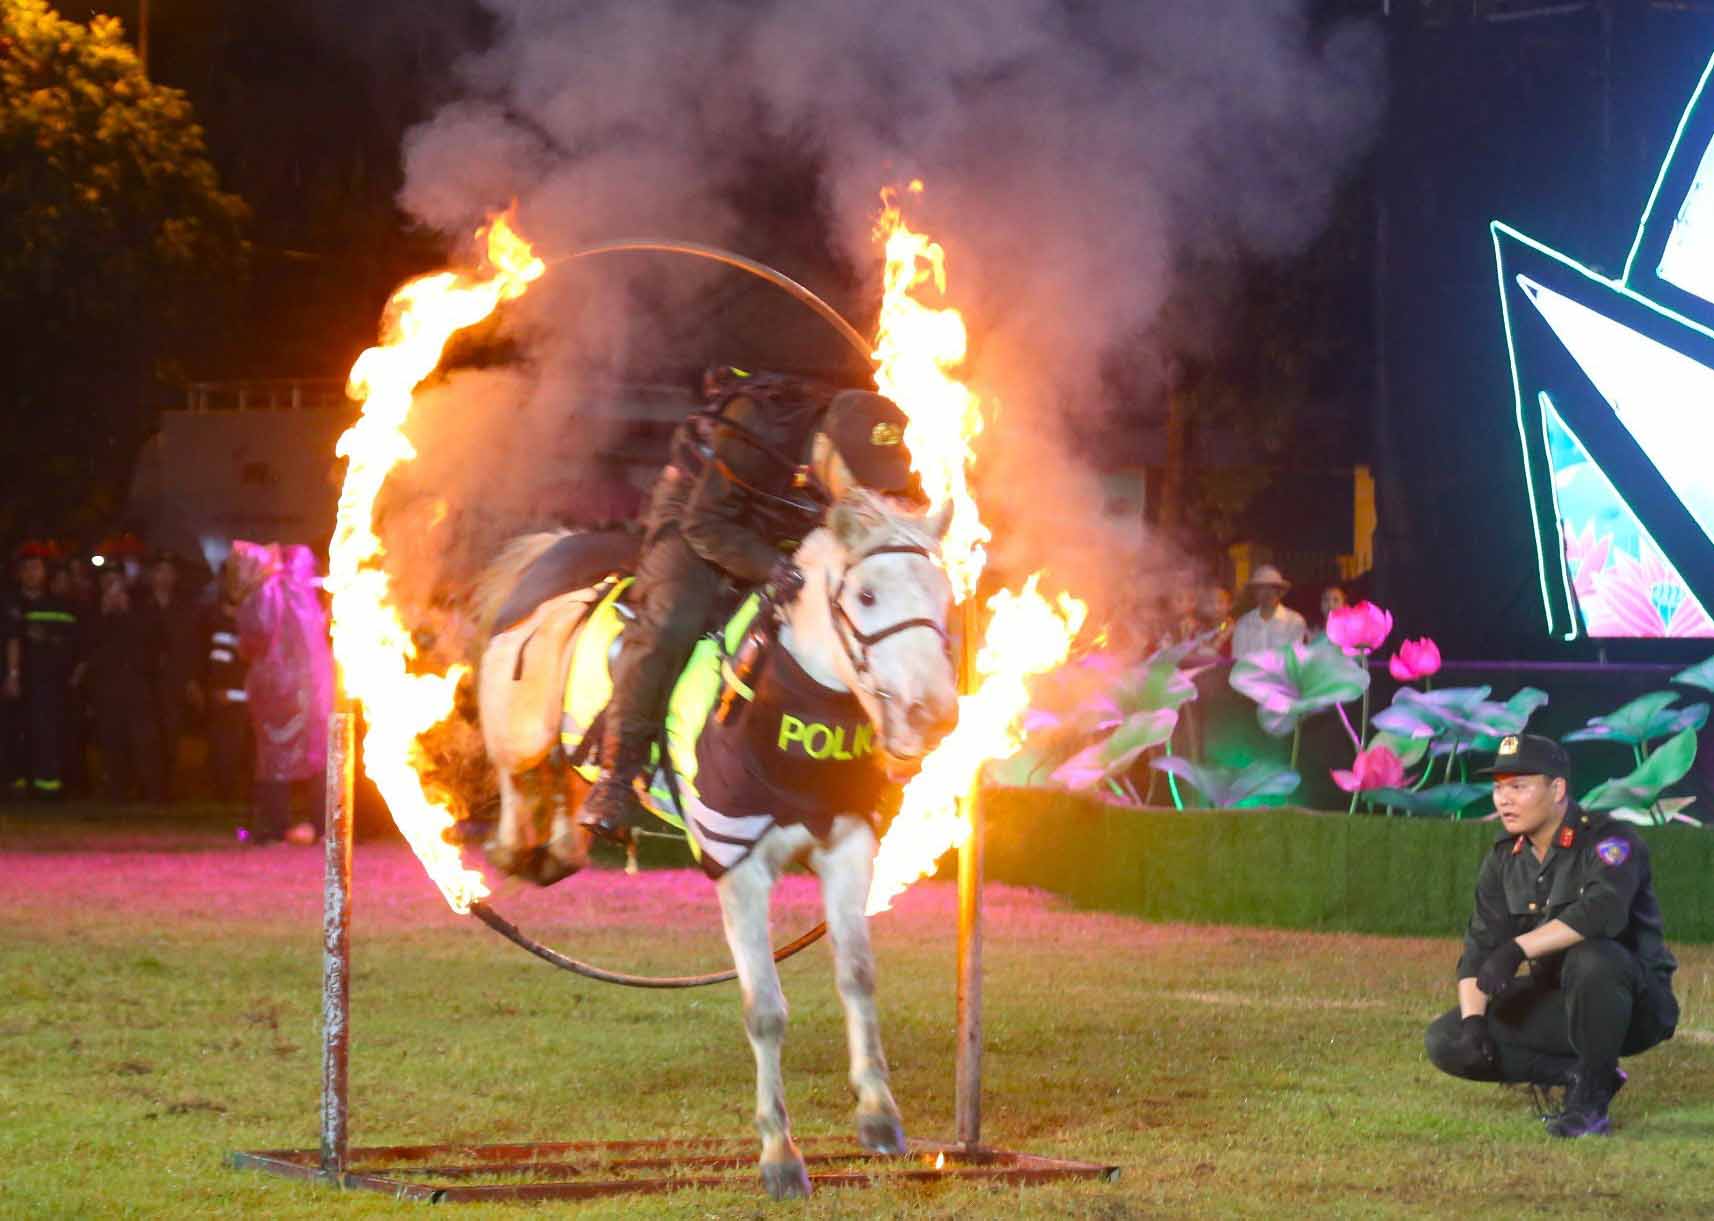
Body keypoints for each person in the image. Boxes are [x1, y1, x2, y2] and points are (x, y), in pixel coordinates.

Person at [578, 371, 921, 844]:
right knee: (676, 617)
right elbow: (706, 524)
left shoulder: (868, 471)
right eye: (858, 476)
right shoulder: (757, 428)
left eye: (878, 481)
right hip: (700, 516)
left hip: (785, 530)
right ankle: (616, 776)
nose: (869, 492)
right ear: (824, 448)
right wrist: (771, 567)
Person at [1423, 734, 1679, 1138]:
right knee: (1446, 1038)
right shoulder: (1504, 858)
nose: (1503, 799)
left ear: (1557, 789)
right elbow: (1480, 947)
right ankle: (1583, 1074)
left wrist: (1518, 948)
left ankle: (1590, 1105)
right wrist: (1475, 1024)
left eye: (1518, 787)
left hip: (1633, 1005)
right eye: (1497, 788)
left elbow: (1602, 912)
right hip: (1560, 1000)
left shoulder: (1611, 840)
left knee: (1592, 958)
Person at [232, 542, 334, 845]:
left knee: (274, 757)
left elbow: (258, 632)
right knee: (319, 754)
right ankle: (322, 823)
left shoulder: (267, 592)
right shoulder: (307, 594)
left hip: (279, 687)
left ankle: (274, 826)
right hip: (315, 687)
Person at [3, 544, 82, 800]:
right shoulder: (9, 603)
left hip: (50, 686)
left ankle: (48, 788)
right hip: (16, 686)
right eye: (25, 568)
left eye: (36, 568)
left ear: (45, 572)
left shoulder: (60, 606)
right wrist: (12, 676)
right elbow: (11, 640)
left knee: (48, 735)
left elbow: (75, 646)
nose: (30, 573)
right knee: (13, 734)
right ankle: (15, 787)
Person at [79, 567, 163, 801]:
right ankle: (116, 788)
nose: (111, 588)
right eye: (106, 582)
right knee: (110, 740)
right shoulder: (92, 613)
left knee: (143, 741)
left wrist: (126, 613)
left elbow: (149, 643)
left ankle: (151, 790)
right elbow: (87, 646)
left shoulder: (139, 610)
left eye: (115, 581)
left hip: (136, 688)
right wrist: (104, 613)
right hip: (106, 690)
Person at [134, 552, 199, 800]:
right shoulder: (140, 606)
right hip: (145, 682)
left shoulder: (184, 609)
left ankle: (166, 788)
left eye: (169, 572)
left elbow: (191, 647)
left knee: (171, 734)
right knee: (147, 737)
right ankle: (148, 788)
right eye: (159, 571)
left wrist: (191, 680)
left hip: (173, 682)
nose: (164, 577)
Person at [191, 556, 252, 802]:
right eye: (231, 578)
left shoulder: (257, 617)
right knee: (223, 749)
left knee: (249, 753)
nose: (236, 585)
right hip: (222, 698)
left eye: (240, 578)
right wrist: (202, 686)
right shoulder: (210, 617)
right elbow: (203, 656)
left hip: (251, 697)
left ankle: (246, 797)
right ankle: (223, 795)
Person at [1230, 564, 1307, 658]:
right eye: (1262, 588)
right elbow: (1238, 658)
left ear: (1280, 591)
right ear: (1254, 592)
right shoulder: (1244, 623)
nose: (1267, 593)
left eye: (1272, 588)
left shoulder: (1294, 621)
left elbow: (1293, 659)